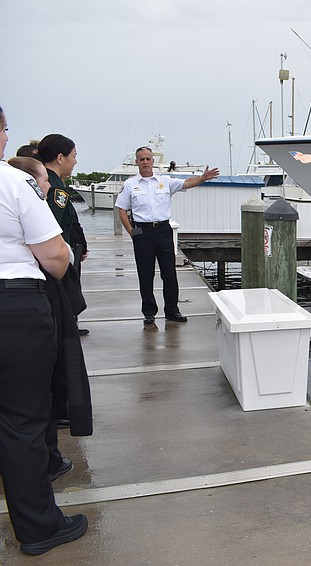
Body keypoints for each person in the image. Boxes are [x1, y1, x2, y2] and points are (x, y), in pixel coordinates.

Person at [0, 106, 88, 555]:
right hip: (14, 302)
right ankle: (39, 527)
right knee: (23, 422)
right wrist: (69, 257)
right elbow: (54, 257)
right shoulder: (14, 182)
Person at [116, 146, 219, 324]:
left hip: (163, 231)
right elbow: (122, 210)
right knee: (146, 273)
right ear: (136, 162)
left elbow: (186, 183)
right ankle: (149, 312)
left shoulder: (165, 181)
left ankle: (172, 310)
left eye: (148, 159)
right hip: (142, 232)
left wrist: (202, 178)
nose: (145, 162)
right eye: (142, 159)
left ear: (153, 162)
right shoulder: (130, 185)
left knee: (169, 273)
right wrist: (132, 232)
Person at [37, 134, 89, 336]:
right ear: (60, 158)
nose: (75, 161)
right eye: (74, 156)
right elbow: (53, 228)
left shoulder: (45, 181)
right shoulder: (55, 188)